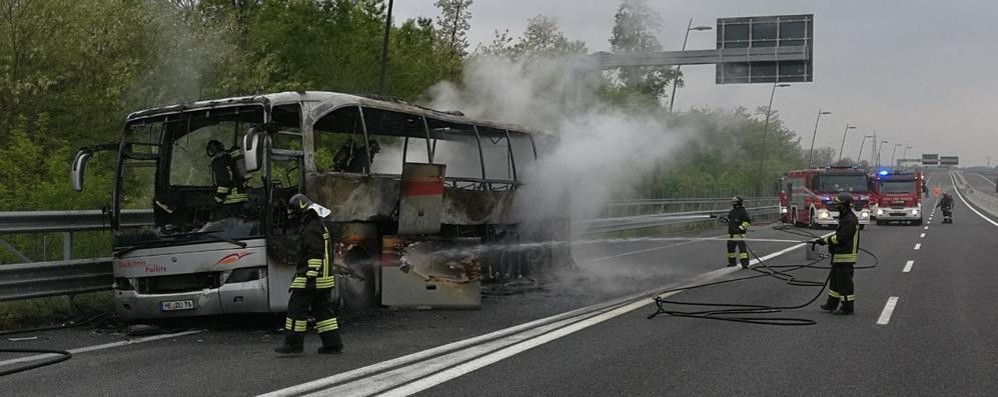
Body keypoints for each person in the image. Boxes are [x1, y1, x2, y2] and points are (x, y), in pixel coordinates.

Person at [275, 194, 344, 355]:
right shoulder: (319, 225)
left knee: (296, 309)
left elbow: (315, 254)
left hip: (312, 279)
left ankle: (293, 344)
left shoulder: (311, 229)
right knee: (323, 312)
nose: (293, 218)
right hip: (323, 279)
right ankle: (333, 344)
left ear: (301, 212)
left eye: (294, 214)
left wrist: (308, 276)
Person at [814, 192, 860, 315]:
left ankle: (847, 307)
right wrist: (826, 240)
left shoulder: (850, 220)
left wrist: (826, 240)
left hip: (845, 257)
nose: (836, 206)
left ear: (845, 205)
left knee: (844, 284)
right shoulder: (845, 218)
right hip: (839, 256)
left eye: (838, 204)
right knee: (835, 282)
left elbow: (841, 238)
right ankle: (832, 303)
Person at [207, 140, 248, 211]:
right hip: (241, 198)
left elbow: (225, 182)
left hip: (231, 201)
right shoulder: (228, 159)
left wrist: (218, 198)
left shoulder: (219, 162)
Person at [725, 196, 752, 269]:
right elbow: (730, 221)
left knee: (742, 251)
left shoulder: (743, 212)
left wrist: (740, 228)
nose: (733, 203)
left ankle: (745, 264)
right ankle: (732, 262)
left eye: (734, 202)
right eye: (732, 202)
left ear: (738, 202)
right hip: (731, 234)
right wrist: (726, 221)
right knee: (730, 249)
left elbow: (747, 222)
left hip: (740, 234)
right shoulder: (732, 212)